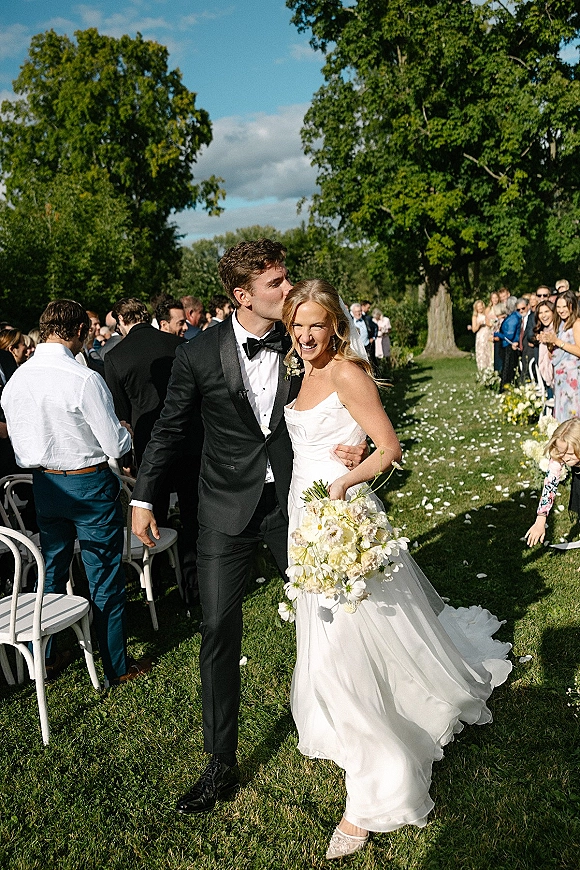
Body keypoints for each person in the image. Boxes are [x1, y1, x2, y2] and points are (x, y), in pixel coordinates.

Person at [130, 239, 366, 815]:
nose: (289, 290)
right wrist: (143, 499)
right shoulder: (198, 353)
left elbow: (356, 384)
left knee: (334, 615)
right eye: (276, 284)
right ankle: (219, 764)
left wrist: (359, 441)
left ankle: (355, 732)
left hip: (297, 503)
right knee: (216, 629)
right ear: (242, 295)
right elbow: (167, 430)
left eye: (287, 279)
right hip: (222, 511)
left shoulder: (303, 336)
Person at [281, 279, 512, 860]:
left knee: (346, 645)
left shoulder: (346, 373)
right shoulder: (300, 374)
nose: (306, 336)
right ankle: (350, 719)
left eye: (315, 324)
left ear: (335, 324)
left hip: (341, 519)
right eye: (296, 326)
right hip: (302, 518)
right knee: (335, 637)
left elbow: (390, 447)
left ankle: (373, 790)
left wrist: (348, 477)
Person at [0, 299, 151, 685]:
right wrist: (124, 432)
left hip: (45, 484)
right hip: (88, 483)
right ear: (80, 332)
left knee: (51, 569)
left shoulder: (17, 379)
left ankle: (44, 658)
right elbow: (115, 446)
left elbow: (20, 445)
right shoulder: (82, 378)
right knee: (104, 576)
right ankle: (116, 666)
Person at [104, 297, 201, 604]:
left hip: (149, 446)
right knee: (192, 512)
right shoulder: (175, 343)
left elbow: (120, 415)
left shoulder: (115, 355)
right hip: (189, 437)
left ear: (121, 322)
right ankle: (194, 587)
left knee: (152, 514)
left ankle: (155, 585)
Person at [524, 418, 580, 546]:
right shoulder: (559, 455)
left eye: (570, 453)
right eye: (561, 452)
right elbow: (550, 484)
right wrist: (541, 519)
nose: (564, 457)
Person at [538, 289, 580, 421]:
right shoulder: (561, 324)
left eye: (564, 307)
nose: (561, 310)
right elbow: (554, 354)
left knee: (572, 415)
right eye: (558, 307)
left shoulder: (576, 324)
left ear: (572, 306)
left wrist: (557, 341)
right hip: (560, 377)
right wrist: (549, 343)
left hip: (573, 378)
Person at [494, 298, 527, 391]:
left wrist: (497, 334)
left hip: (509, 346)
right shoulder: (514, 317)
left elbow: (509, 336)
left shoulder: (513, 318)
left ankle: (505, 387)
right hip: (509, 345)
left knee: (507, 368)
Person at [531, 300, 555, 396]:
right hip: (548, 375)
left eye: (546, 311)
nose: (543, 315)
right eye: (540, 313)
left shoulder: (558, 329)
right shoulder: (543, 330)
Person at [469, 300, 493, 371]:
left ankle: (490, 369)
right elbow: (474, 330)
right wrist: (479, 324)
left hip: (488, 335)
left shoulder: (487, 314)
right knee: (482, 353)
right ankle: (482, 369)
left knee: (489, 352)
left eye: (481, 306)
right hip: (481, 336)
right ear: (476, 308)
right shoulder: (475, 317)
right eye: (478, 306)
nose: (480, 308)